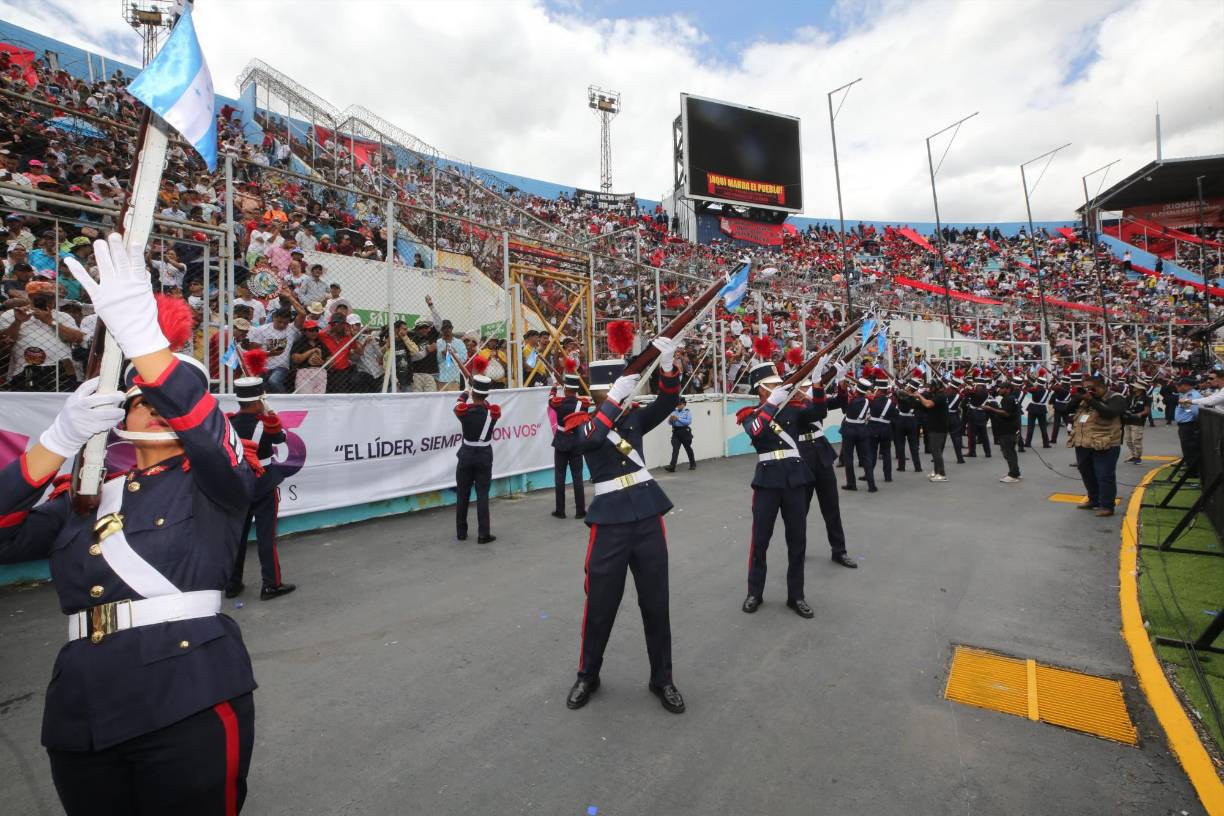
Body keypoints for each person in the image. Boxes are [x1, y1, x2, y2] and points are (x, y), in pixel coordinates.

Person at [0, 234, 257, 814]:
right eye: (144, 399)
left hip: (186, 691)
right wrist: (57, 440)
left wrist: (143, 339)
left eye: (171, 401)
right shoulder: (83, 497)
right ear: (122, 411)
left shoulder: (216, 481)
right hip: (82, 707)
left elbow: (205, 428)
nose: (159, 407)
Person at [563, 327, 684, 714]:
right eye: (617, 389)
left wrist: (666, 366)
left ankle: (662, 678)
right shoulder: (580, 422)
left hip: (647, 516)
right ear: (603, 391)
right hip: (610, 523)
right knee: (600, 605)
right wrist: (615, 398)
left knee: (656, 603)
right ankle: (588, 674)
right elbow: (592, 438)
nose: (627, 393)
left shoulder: (634, 419)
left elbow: (668, 402)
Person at [737, 357, 824, 619]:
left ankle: (796, 595)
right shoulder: (750, 415)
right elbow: (756, 431)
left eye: (778, 384)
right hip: (768, 481)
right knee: (760, 541)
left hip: (795, 479)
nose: (778, 388)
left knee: (797, 541)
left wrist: (817, 384)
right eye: (773, 385)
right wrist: (772, 404)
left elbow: (819, 412)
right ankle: (754, 592)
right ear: (761, 389)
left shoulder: (793, 410)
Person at [225, 371, 296, 600]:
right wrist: (269, 413)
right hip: (263, 482)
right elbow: (281, 439)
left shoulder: (228, 423)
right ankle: (271, 584)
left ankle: (232, 584)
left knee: (238, 536)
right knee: (266, 535)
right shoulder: (266, 425)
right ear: (258, 401)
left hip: (237, 483)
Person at [796, 366, 857, 567]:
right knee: (800, 510)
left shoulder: (813, 400)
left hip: (821, 454)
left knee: (831, 507)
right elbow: (817, 411)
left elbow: (841, 402)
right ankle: (797, 551)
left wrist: (841, 381)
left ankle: (839, 550)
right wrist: (817, 389)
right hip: (802, 456)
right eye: (804, 387)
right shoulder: (789, 406)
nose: (807, 390)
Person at [453, 357, 500, 543]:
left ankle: (461, 532)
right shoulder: (493, 412)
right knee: (482, 494)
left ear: (473, 393)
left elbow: (457, 404)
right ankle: (483, 534)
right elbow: (485, 404)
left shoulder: (464, 410)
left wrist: (466, 391)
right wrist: (475, 391)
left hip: (466, 454)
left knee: (462, 494)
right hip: (484, 455)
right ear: (487, 394)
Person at [1068, 373, 1126, 517]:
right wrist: (1078, 397)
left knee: (1104, 475)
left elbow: (1110, 413)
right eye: (1085, 388)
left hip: (1105, 444)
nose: (1088, 391)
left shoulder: (1116, 398)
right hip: (1084, 443)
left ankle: (1107, 505)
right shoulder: (1086, 398)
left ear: (1101, 387)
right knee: (1086, 472)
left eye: (1091, 388)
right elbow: (1066, 409)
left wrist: (1091, 400)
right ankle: (1093, 500)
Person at [549, 360, 587, 519]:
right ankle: (580, 511)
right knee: (578, 477)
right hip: (576, 441)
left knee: (560, 476)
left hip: (561, 441)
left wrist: (554, 386)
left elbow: (551, 398)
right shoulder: (582, 405)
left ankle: (560, 510)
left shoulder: (558, 403)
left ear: (565, 388)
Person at [839, 371, 876, 492]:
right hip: (862, 429)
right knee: (866, 457)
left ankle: (851, 484)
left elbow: (844, 408)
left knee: (848, 458)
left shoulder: (852, 400)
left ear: (857, 390)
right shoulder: (868, 400)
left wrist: (848, 390)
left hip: (849, 429)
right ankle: (871, 484)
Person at [982, 377, 1022, 483]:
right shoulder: (1011, 398)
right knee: (1010, 452)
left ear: (1008, 389)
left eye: (1002, 388)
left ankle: (1013, 475)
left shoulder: (1008, 399)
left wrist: (991, 409)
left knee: (1008, 453)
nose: (999, 390)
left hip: (1008, 430)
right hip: (1010, 429)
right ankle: (1015, 472)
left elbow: (1006, 413)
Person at [915, 375, 950, 481]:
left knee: (936, 451)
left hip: (938, 428)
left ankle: (942, 474)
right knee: (934, 451)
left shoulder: (941, 396)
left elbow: (928, 404)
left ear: (936, 387)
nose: (930, 388)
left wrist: (919, 396)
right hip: (934, 426)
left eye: (932, 386)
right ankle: (936, 471)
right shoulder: (937, 395)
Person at [892, 369, 923, 473]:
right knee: (914, 445)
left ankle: (901, 466)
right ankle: (917, 466)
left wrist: (900, 386)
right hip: (912, 420)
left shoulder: (902, 395)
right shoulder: (917, 398)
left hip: (901, 420)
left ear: (910, 387)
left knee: (900, 444)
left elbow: (895, 392)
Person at [1174, 377, 1203, 478]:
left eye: (1180, 385)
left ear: (1187, 386)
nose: (1178, 387)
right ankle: (1191, 469)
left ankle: (1193, 472)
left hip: (1189, 425)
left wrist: (1192, 422)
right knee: (1187, 448)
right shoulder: (1185, 395)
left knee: (1190, 449)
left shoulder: (1193, 396)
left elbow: (1195, 412)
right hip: (1184, 425)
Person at [1122, 377, 1151, 464]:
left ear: (1140, 388)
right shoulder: (1130, 397)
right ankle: (1133, 455)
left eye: (1136, 386)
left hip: (1138, 421)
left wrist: (1139, 414)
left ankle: (1138, 457)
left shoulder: (1146, 398)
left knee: (1136, 440)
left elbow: (1147, 410)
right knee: (1128, 440)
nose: (1134, 387)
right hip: (1128, 420)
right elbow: (1125, 407)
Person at [1023, 370, 1054, 449]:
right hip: (1042, 409)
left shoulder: (1034, 389)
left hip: (1033, 408)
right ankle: (1046, 443)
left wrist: (1029, 382)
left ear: (1038, 382)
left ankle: (1028, 443)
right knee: (1043, 427)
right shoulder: (1047, 390)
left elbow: (1027, 388)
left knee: (1031, 427)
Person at [664, 397, 695, 472]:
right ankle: (672, 466)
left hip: (684, 431)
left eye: (680, 404)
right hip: (676, 432)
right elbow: (669, 423)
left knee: (688, 448)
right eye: (677, 404)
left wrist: (678, 419)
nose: (678, 406)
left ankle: (692, 463)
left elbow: (688, 422)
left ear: (684, 404)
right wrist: (670, 420)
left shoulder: (687, 412)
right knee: (675, 449)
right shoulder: (674, 411)